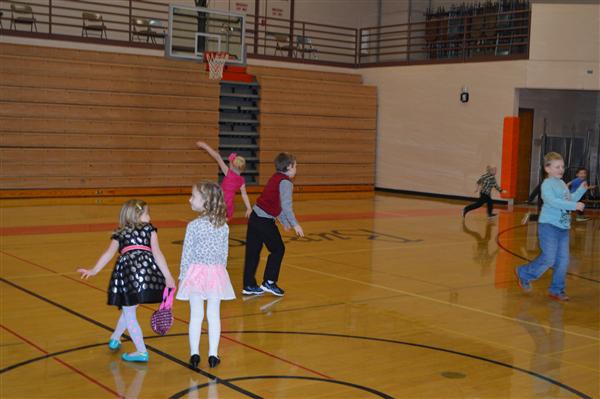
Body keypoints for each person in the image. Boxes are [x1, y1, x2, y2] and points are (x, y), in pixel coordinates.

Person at [78, 199, 176, 362]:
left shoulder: (120, 232)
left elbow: (108, 253)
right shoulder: (149, 230)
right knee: (129, 309)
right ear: (137, 215)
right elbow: (158, 254)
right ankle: (115, 338)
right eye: (147, 213)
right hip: (147, 275)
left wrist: (94, 270)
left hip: (128, 275)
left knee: (129, 311)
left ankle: (141, 351)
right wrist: (167, 275)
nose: (150, 217)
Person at [176, 181, 235, 369]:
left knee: (196, 316)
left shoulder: (193, 226)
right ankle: (212, 355)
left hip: (195, 274)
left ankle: (194, 354)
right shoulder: (224, 227)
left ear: (206, 201)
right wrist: (220, 274)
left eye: (193, 196)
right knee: (213, 315)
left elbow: (187, 254)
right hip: (216, 274)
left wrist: (183, 277)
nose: (190, 199)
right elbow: (224, 255)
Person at [514, 152, 588, 301]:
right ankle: (524, 273)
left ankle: (556, 290)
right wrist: (575, 205)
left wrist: (581, 190)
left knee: (563, 260)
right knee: (549, 258)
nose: (561, 169)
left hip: (563, 228)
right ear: (547, 169)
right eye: (557, 167)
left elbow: (568, 199)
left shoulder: (561, 183)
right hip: (549, 226)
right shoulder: (547, 185)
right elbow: (553, 201)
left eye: (562, 166)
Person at [242, 152, 304, 297]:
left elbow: (276, 203)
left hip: (254, 217)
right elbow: (287, 206)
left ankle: (248, 285)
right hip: (264, 220)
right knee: (278, 249)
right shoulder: (286, 182)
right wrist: (295, 225)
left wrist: (283, 222)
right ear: (289, 167)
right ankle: (269, 282)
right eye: (295, 166)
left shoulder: (276, 177)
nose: (296, 169)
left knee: (252, 253)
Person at [196, 141, 252, 220]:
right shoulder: (241, 180)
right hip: (227, 204)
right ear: (242, 169)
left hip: (220, 201)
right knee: (222, 222)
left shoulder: (228, 172)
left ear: (231, 165)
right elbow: (244, 195)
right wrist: (249, 208)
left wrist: (205, 146)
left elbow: (217, 156)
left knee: (214, 220)